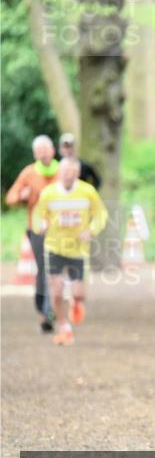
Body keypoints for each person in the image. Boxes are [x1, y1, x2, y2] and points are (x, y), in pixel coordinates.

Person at [31, 157, 108, 346]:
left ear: (77, 173)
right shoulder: (49, 193)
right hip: (54, 247)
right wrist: (39, 225)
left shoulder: (87, 192)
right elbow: (37, 214)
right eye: (65, 171)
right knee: (56, 292)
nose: (68, 174)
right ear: (59, 172)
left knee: (79, 293)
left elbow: (100, 214)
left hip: (78, 250)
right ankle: (64, 327)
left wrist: (91, 230)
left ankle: (76, 303)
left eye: (73, 171)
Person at [5, 135, 60, 332]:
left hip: (61, 229)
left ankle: (50, 309)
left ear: (53, 151)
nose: (44, 153)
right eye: (40, 150)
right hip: (36, 229)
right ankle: (44, 306)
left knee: (54, 268)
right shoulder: (29, 173)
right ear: (35, 154)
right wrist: (22, 195)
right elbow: (10, 197)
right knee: (45, 268)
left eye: (47, 149)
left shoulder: (62, 172)